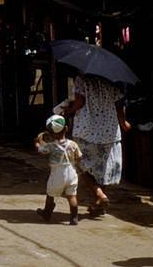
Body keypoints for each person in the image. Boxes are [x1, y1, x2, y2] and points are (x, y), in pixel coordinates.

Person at [63, 74, 130, 217]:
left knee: (79, 164)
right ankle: (100, 205)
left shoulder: (81, 79)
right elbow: (119, 103)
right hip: (109, 131)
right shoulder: (111, 79)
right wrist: (123, 122)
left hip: (86, 130)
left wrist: (68, 111)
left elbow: (80, 102)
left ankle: (99, 194)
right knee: (102, 168)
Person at [35, 114, 82, 226]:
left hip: (57, 173)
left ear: (50, 133)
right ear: (66, 129)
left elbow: (41, 151)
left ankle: (47, 213)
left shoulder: (50, 146)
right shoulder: (73, 144)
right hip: (71, 172)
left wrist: (37, 143)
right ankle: (74, 217)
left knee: (50, 194)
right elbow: (79, 156)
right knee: (72, 196)